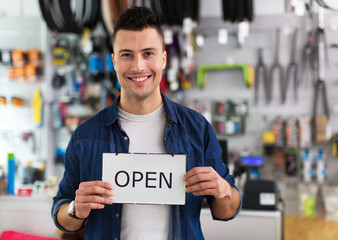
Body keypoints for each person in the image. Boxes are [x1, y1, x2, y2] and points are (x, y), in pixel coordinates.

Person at [52, 6, 241, 240]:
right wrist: (75, 209)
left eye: (148, 53)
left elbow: (226, 211)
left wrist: (223, 191)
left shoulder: (196, 129)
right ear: (113, 61)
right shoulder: (85, 136)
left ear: (163, 59)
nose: (138, 66)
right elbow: (61, 214)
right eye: (127, 55)